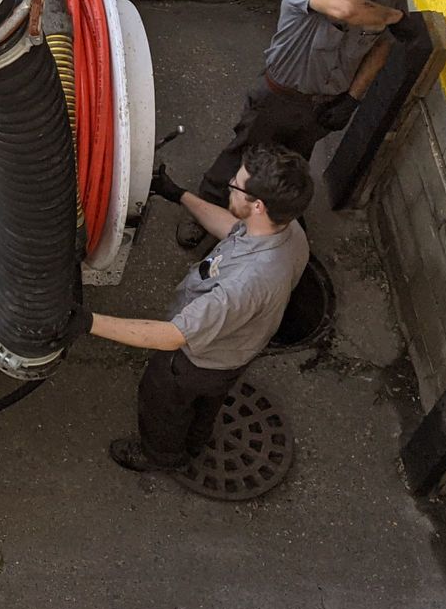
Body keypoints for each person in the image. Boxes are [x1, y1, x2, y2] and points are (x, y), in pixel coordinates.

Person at [71, 144, 313, 473]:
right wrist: (179, 195)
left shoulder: (244, 285)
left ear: (258, 205)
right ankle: (197, 437)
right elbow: (232, 227)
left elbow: (172, 336)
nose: (229, 181)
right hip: (234, 352)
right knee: (206, 403)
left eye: (237, 184)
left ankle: (160, 456)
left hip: (195, 363)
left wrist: (86, 322)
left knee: (163, 403)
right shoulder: (287, 228)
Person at [178, 0, 408, 247]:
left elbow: (382, 46)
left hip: (327, 102)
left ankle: (272, 222)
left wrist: (352, 98)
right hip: (279, 94)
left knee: (292, 162)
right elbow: (346, 11)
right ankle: (207, 206)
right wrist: (394, 16)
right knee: (243, 152)